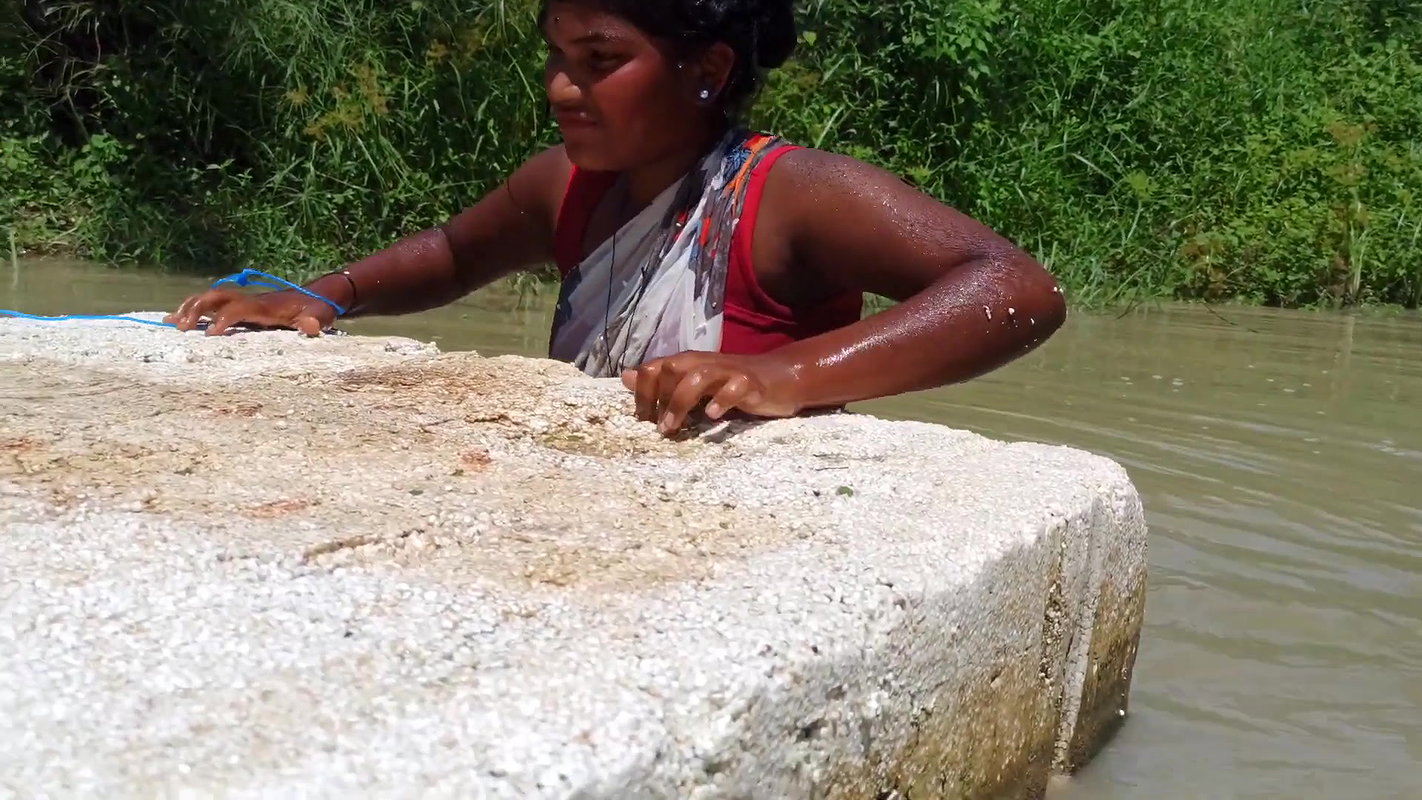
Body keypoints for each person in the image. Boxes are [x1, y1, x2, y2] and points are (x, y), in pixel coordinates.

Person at [165, 0, 1067, 438]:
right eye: (558, 57)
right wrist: (319, 295)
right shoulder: (565, 185)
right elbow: (447, 255)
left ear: (706, 68)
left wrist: (785, 373)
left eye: (601, 59)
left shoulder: (790, 194)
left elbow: (1017, 290)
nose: (562, 87)